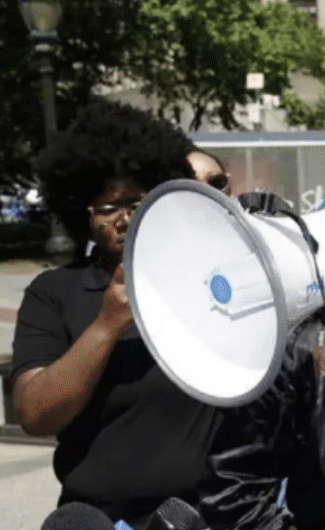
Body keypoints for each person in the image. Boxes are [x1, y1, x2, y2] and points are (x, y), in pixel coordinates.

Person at [11, 101, 223, 527]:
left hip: (203, 514)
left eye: (139, 202)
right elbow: (35, 413)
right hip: (98, 518)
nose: (125, 219)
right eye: (108, 208)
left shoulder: (206, 281)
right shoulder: (54, 292)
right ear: (82, 215)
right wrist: (107, 325)